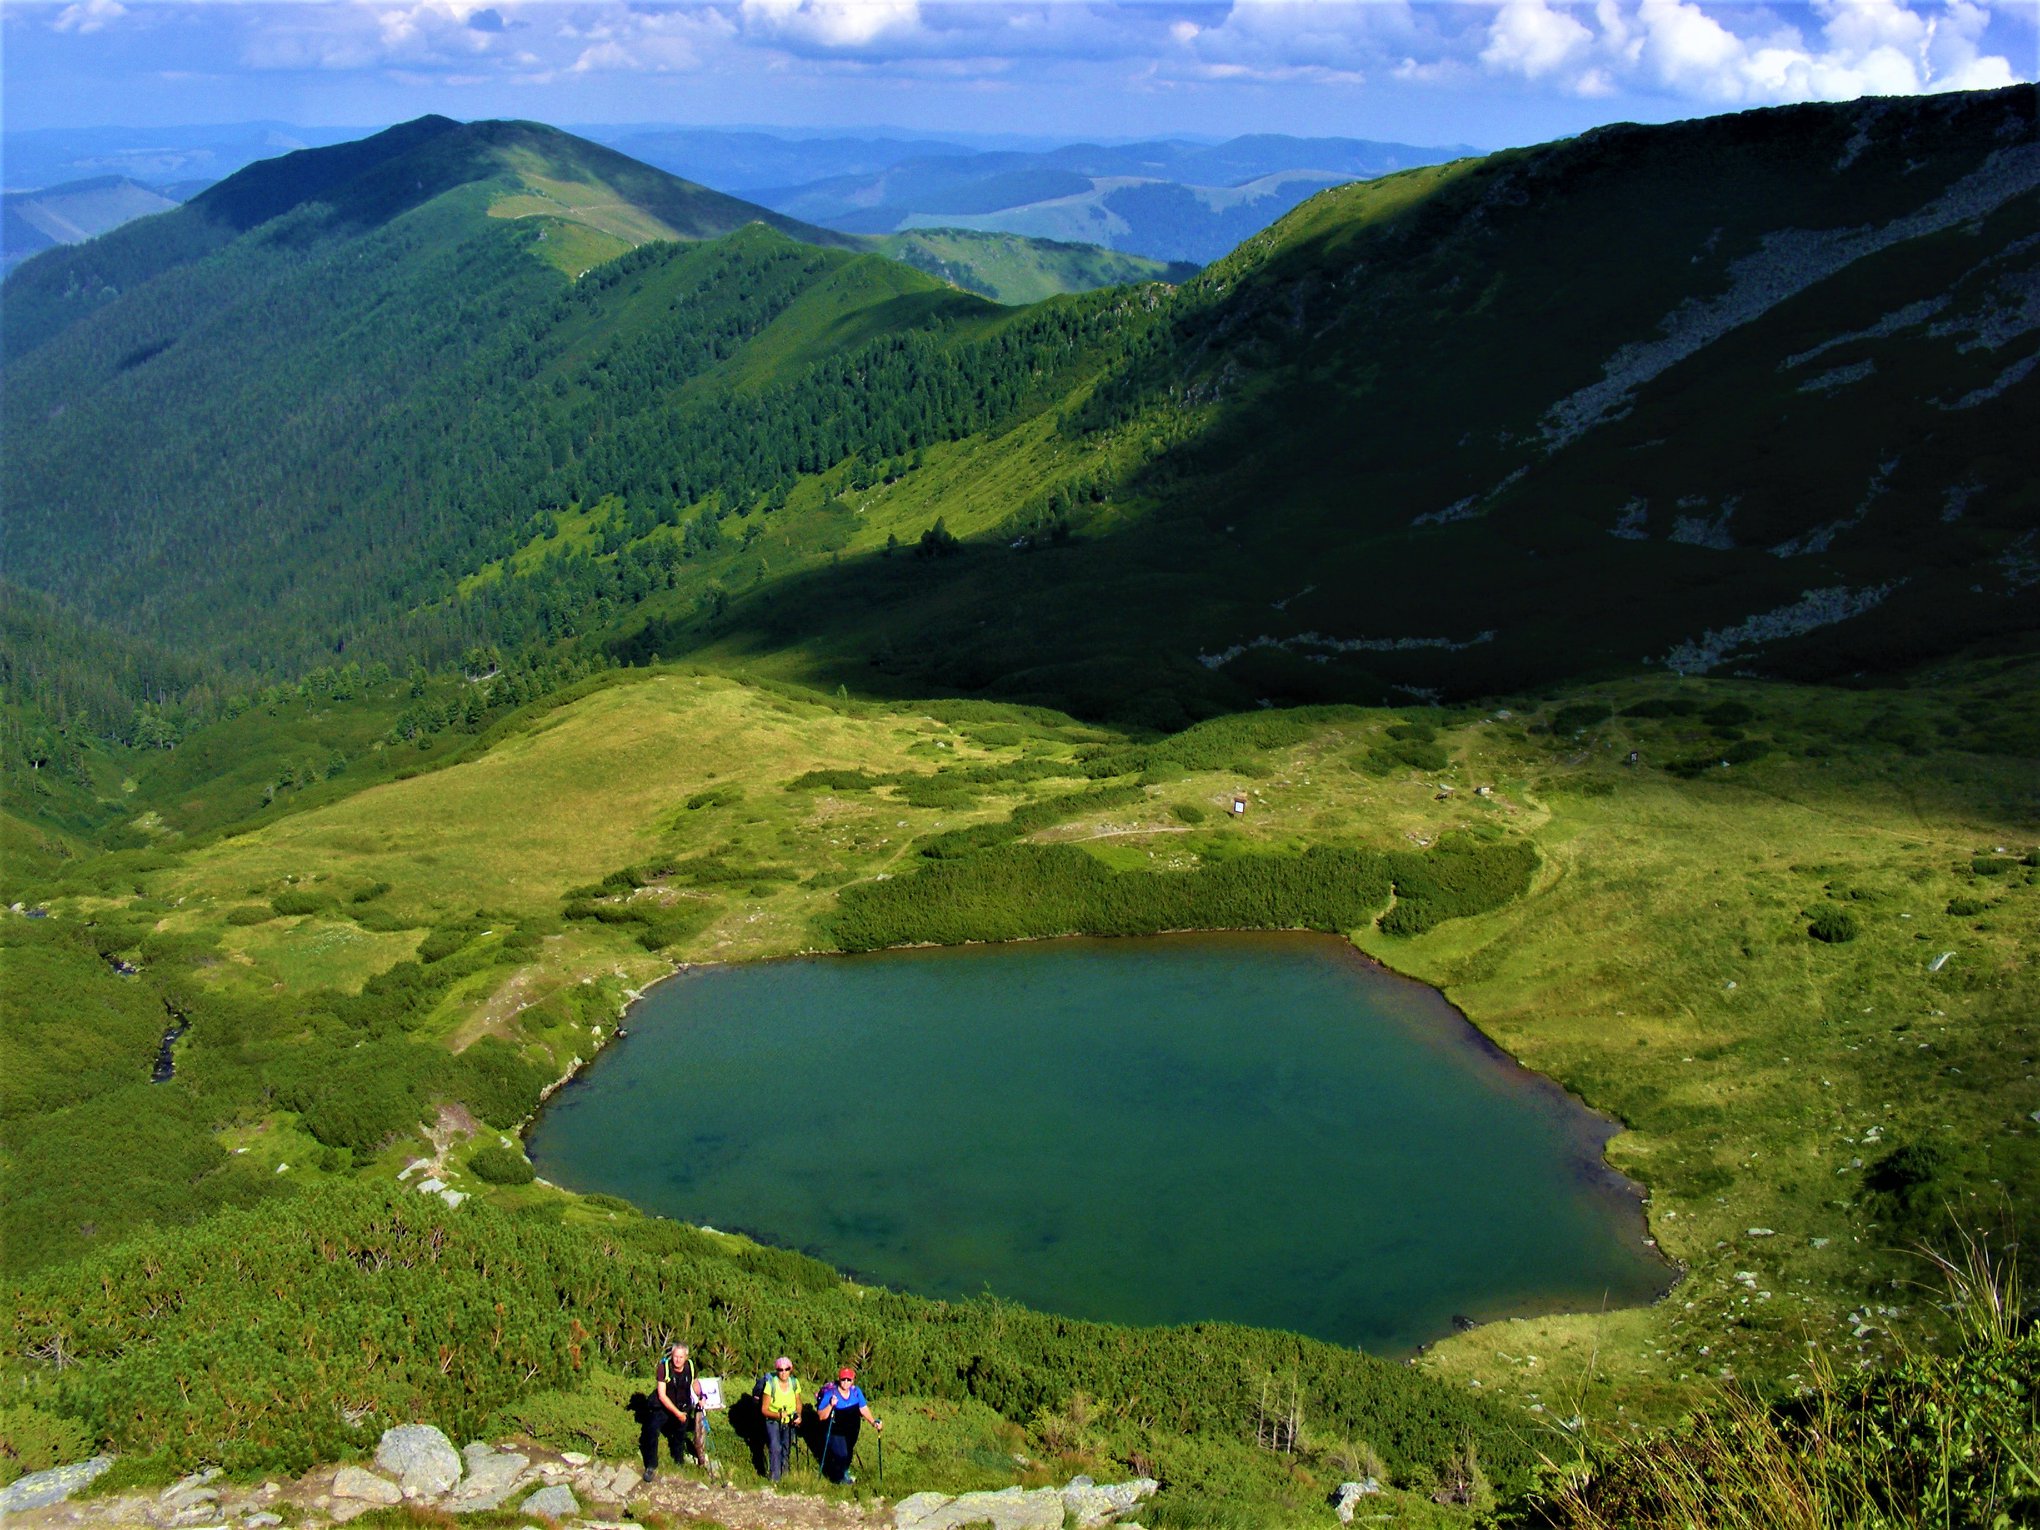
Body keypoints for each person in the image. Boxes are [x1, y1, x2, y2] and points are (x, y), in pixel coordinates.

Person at [641, 1339, 707, 1481]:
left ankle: (679, 1462)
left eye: (681, 1357)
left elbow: (694, 1383)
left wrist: (701, 1396)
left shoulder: (690, 1366)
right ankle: (651, 1465)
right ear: (672, 1355)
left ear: (686, 1357)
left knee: (680, 1434)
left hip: (683, 1404)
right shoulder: (663, 1368)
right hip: (663, 1407)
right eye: (675, 1356)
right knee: (651, 1429)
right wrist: (677, 1414)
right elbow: (662, 1395)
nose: (677, 1360)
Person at [814, 1367, 881, 1485]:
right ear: (839, 1379)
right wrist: (830, 1405)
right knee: (842, 1454)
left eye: (848, 1380)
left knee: (848, 1453)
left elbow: (863, 1408)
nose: (846, 1382)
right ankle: (840, 1480)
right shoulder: (831, 1394)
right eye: (843, 1379)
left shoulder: (856, 1392)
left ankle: (842, 1473)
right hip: (836, 1430)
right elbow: (821, 1416)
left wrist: (873, 1422)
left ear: (853, 1380)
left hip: (852, 1429)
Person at [759, 1355, 804, 1483]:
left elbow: (798, 1402)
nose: (783, 1372)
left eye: (786, 1369)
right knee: (775, 1446)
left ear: (791, 1369)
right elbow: (764, 1409)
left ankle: (785, 1475)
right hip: (773, 1420)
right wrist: (778, 1415)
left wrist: (799, 1415)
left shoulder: (795, 1383)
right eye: (780, 1369)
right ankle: (775, 1478)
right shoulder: (770, 1384)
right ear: (776, 1370)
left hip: (789, 1420)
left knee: (786, 1447)